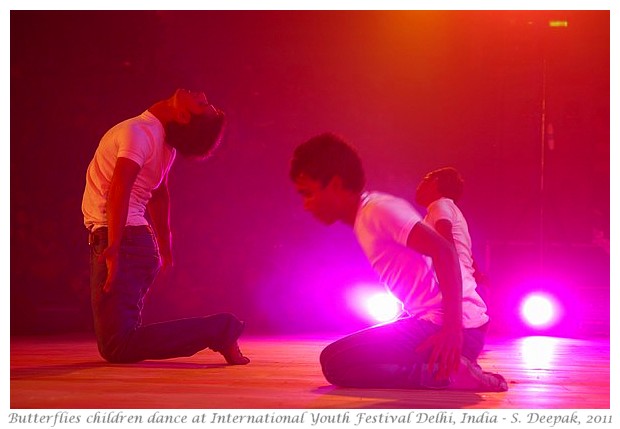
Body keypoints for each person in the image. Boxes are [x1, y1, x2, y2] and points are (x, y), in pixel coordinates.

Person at [289, 133, 506, 391]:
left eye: (308, 193)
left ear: (335, 185)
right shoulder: (366, 216)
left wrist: (452, 330)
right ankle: (446, 369)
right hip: (447, 327)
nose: (305, 205)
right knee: (339, 361)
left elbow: (445, 251)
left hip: (450, 330)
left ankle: (444, 374)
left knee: (336, 362)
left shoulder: (377, 210)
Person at [82, 88, 250, 365]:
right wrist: (165, 248)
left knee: (117, 347)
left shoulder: (139, 132)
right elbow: (159, 194)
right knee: (120, 342)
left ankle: (221, 329)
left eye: (202, 103)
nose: (201, 93)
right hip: (134, 239)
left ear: (183, 116)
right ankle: (220, 330)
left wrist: (113, 246)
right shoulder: (160, 141)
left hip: (123, 239)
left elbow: (120, 188)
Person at [415, 167, 489, 305]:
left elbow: (446, 245)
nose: (419, 185)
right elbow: (464, 252)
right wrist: (478, 276)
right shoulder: (448, 208)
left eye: (425, 180)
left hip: (452, 292)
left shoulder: (439, 205)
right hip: (459, 288)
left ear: (435, 183)